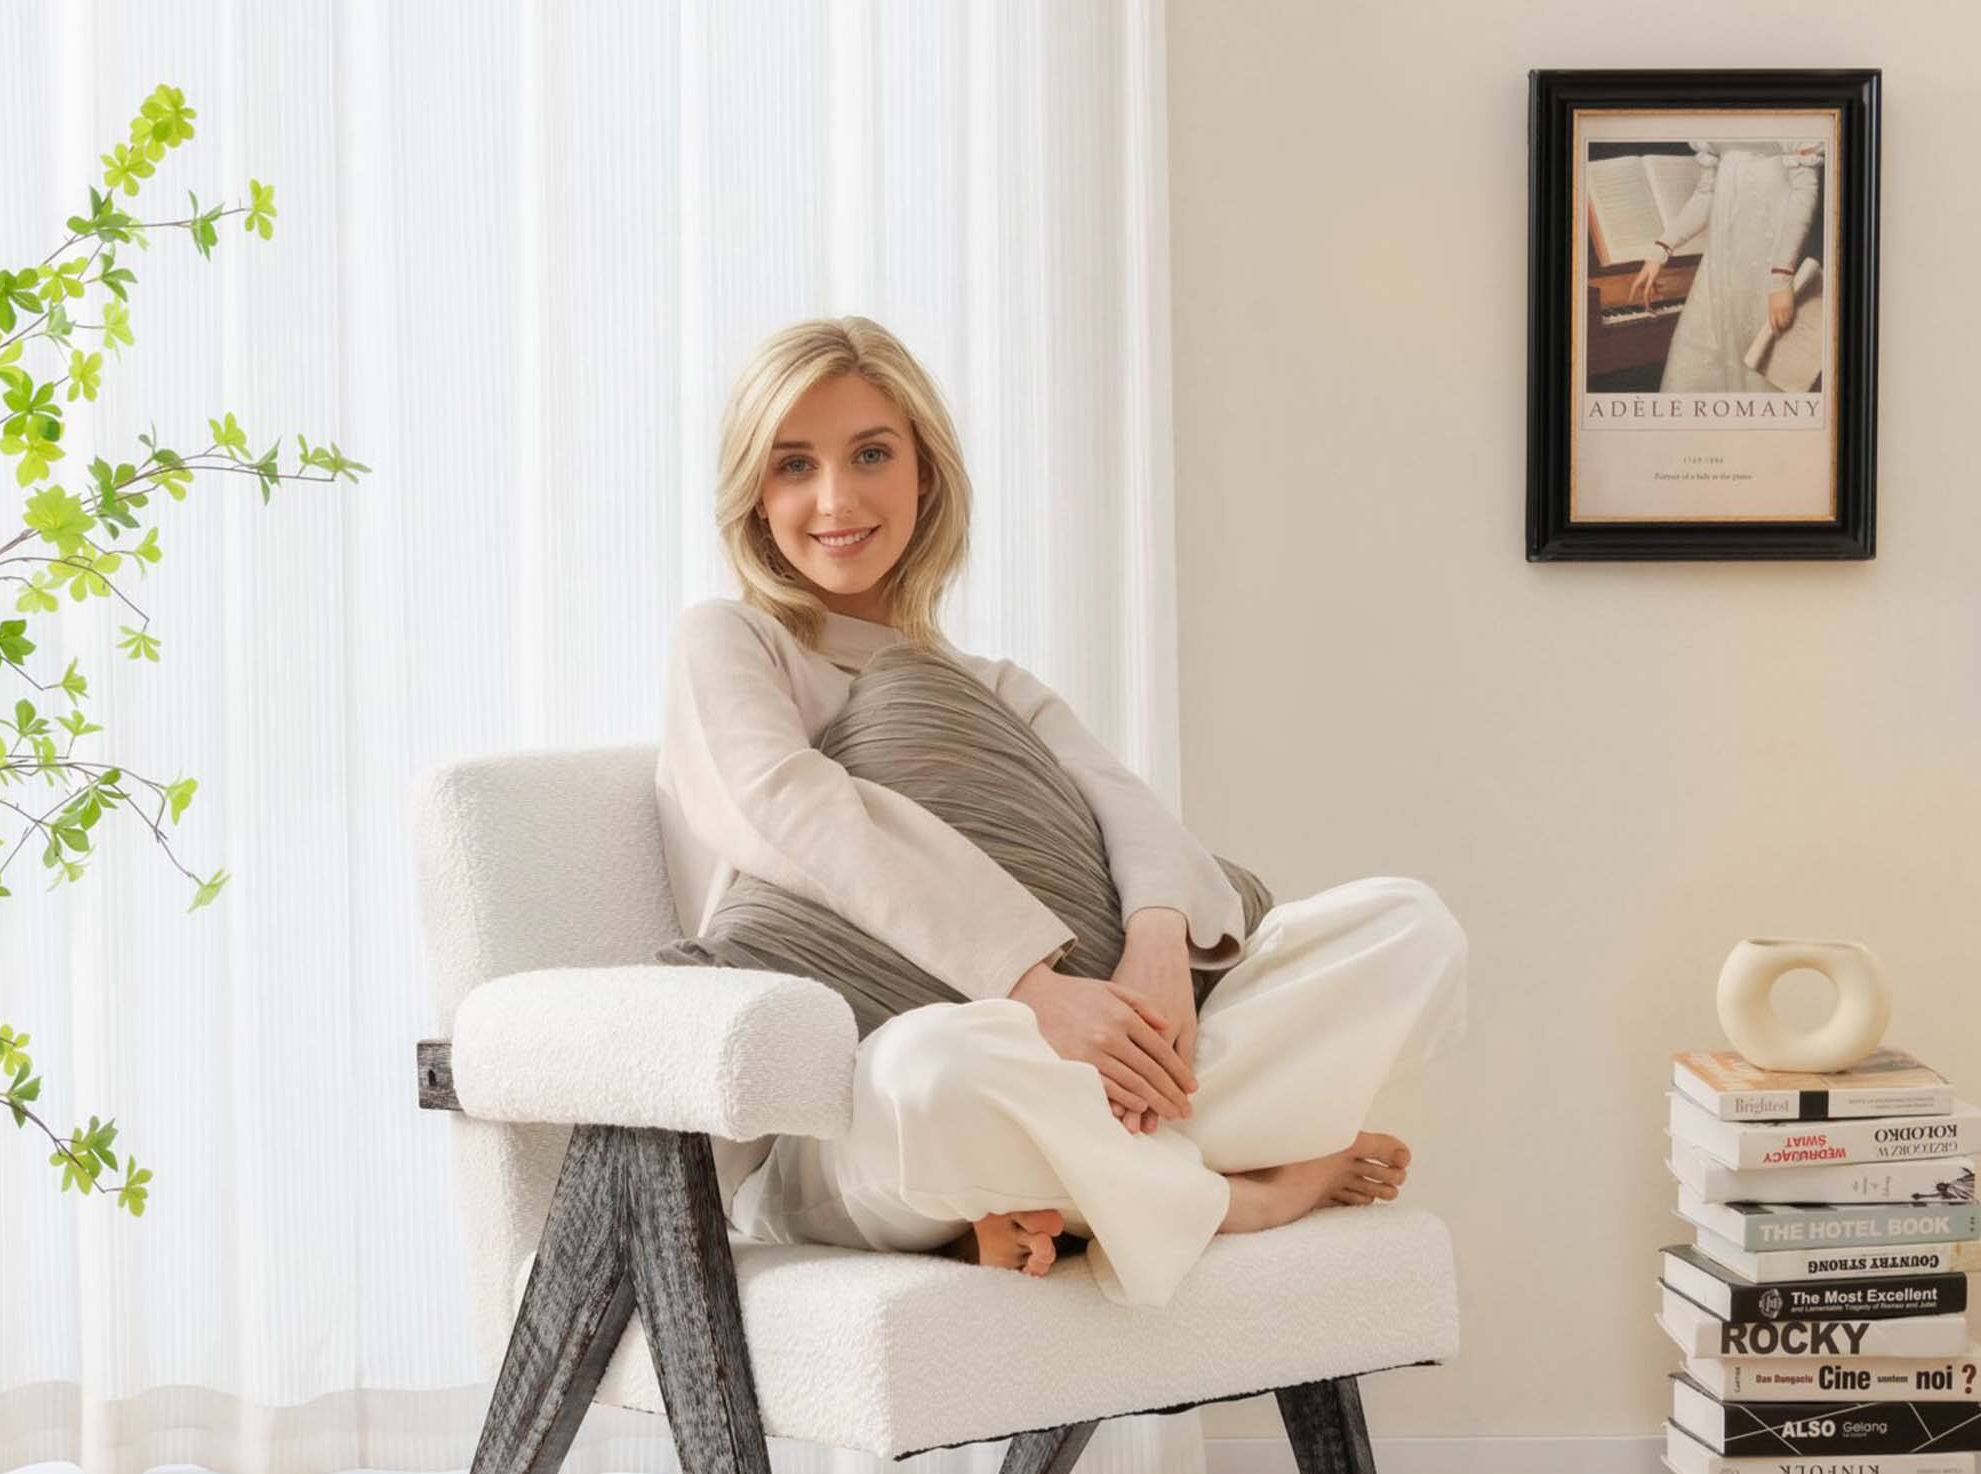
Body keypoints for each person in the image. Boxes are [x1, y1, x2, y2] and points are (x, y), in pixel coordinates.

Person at [653, 315, 1466, 1308]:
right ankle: (1233, 1197)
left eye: (870, 453)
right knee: (933, 1058)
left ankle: (1071, 1194)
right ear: (753, 496)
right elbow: (787, 810)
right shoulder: (733, 642)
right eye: (792, 465)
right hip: (846, 1121)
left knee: (1403, 925)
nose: (835, 498)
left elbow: (1130, 811)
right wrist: (1033, 986)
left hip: (1068, 1079)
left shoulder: (991, 686)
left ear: (923, 476)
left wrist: (1155, 954)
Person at [1627, 137, 1823, 394]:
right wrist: (1661, 248)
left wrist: (1781, 276)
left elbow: (1805, 191)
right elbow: (1707, 193)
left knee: (1759, 371)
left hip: (1768, 261)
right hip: (1719, 264)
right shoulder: (1709, 122)